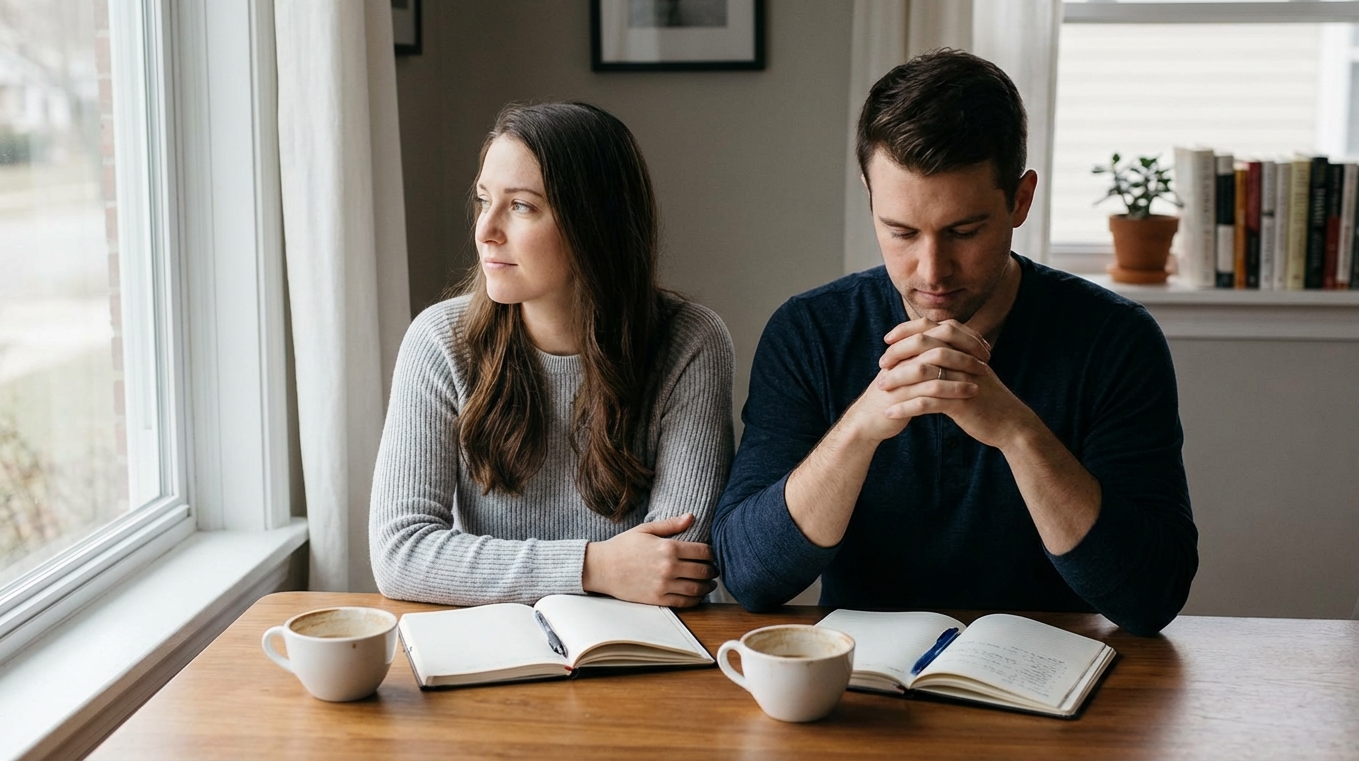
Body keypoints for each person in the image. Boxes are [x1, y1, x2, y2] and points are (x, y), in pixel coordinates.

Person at [712, 50, 1197, 635]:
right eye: (901, 232)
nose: (932, 270)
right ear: (869, 194)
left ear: (1019, 200)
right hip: (868, 689)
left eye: (964, 232)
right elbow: (750, 577)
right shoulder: (810, 333)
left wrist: (1016, 432)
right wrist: (863, 425)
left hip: (1057, 684)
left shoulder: (1115, 340)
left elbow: (1151, 596)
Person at [371, 101, 734, 609]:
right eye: (483, 200)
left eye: (520, 206)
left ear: (593, 225)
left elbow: (673, 566)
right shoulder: (439, 341)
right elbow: (401, 554)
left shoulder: (689, 342)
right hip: (495, 651)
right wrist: (593, 566)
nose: (485, 231)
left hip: (638, 654)